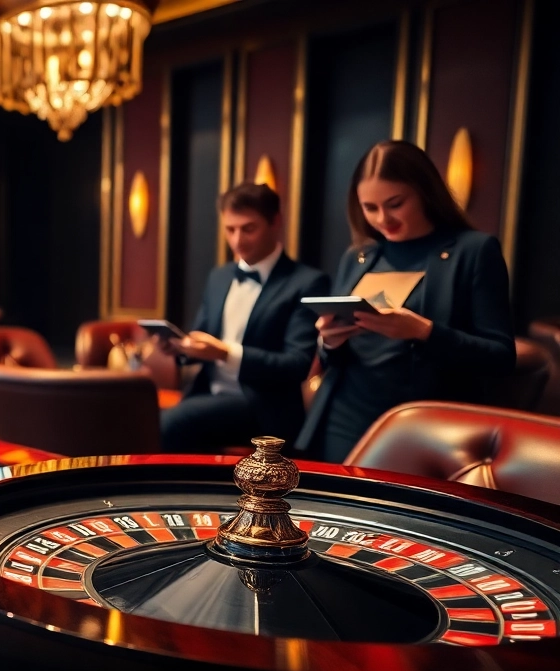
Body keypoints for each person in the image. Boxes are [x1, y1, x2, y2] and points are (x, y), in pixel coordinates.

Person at [296, 140, 514, 463]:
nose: (383, 219)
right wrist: (329, 343)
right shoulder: (359, 257)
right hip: (345, 415)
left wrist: (423, 331)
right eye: (370, 208)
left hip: (425, 424)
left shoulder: (474, 251)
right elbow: (332, 359)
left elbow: (501, 357)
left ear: (425, 191)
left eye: (395, 203)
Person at [159, 182, 330, 453]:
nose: (237, 240)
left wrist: (226, 353)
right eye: (230, 229)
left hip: (263, 406)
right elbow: (200, 337)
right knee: (137, 416)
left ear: (276, 222)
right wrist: (179, 348)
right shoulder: (219, 276)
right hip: (207, 394)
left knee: (168, 424)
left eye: (248, 229)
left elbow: (296, 364)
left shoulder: (307, 283)